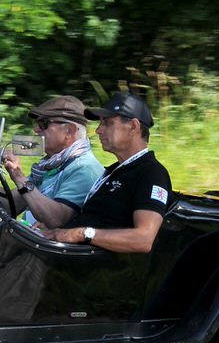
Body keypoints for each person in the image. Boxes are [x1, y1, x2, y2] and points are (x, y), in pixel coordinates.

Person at [41, 92, 171, 253]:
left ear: (133, 126)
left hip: (91, 268)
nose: (98, 130)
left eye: (107, 123)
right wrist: (58, 230)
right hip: (69, 259)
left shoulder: (151, 173)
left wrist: (81, 233)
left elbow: (143, 239)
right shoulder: (114, 171)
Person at [1, 95, 104, 229]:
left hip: (47, 248)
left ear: (69, 131)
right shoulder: (49, 165)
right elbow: (9, 204)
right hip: (30, 242)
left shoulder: (84, 169)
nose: (36, 129)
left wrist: (19, 177)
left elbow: (56, 219)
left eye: (44, 124)